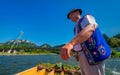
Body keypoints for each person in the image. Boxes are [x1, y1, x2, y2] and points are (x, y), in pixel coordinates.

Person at [60, 9, 110, 75]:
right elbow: (80, 41)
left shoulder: (86, 17)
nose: (70, 18)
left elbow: (90, 28)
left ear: (77, 12)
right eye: (69, 17)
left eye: (71, 15)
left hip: (92, 54)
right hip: (82, 56)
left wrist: (71, 44)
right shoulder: (75, 28)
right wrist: (77, 54)